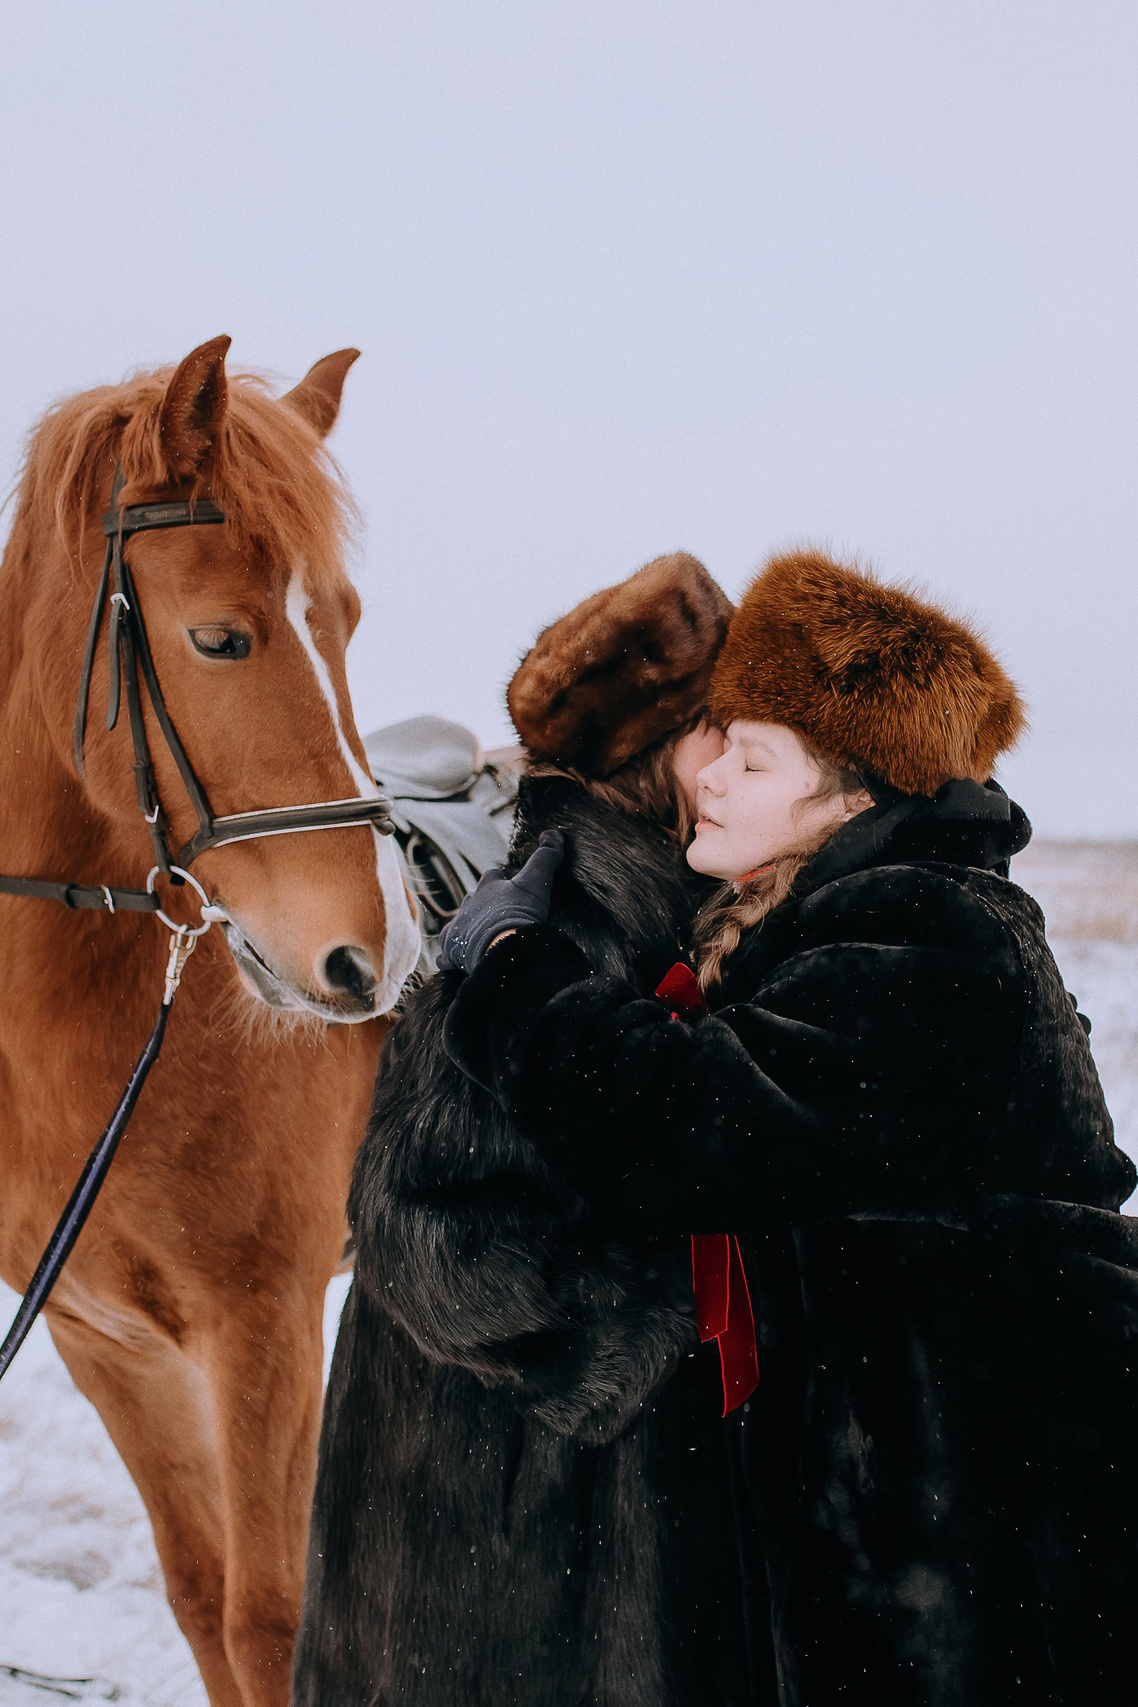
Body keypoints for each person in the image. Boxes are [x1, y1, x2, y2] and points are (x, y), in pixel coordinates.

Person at [439, 549, 1138, 1707]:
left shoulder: (925, 926)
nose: (709, 773)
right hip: (940, 1475)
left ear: (855, 797)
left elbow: (694, 1125)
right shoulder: (855, 916)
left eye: (753, 756)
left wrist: (517, 974)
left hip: (990, 1494)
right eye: (716, 739)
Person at [293, 554, 757, 1706]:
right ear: (656, 758)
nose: (747, 754)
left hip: (567, 1530)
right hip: (492, 1543)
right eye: (725, 733)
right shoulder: (552, 933)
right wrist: (655, 1337)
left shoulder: (688, 910)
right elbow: (425, 1235)